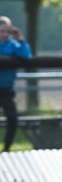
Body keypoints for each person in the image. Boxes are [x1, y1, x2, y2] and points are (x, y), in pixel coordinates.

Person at [0, 16, 32, 152]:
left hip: (7, 89)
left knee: (12, 119)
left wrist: (20, 37)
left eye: (7, 31)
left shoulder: (13, 45)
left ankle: (6, 148)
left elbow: (26, 55)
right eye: (1, 31)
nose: (4, 34)